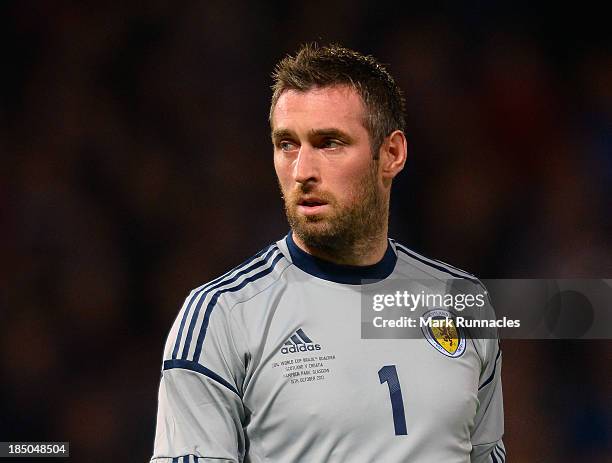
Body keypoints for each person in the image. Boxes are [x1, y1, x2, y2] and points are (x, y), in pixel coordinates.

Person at [151, 43, 505, 463]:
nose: (302, 171)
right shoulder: (222, 316)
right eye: (287, 144)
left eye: (329, 143)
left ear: (391, 153)